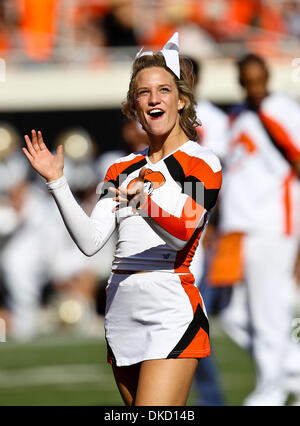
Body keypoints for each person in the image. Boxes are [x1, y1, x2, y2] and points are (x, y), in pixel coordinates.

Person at [22, 33, 222, 406]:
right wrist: (57, 183)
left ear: (181, 100)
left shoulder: (202, 162)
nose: (153, 99)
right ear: (134, 105)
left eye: (163, 89)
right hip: (121, 307)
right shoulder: (120, 169)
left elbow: (184, 233)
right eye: (144, 92)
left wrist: (144, 202)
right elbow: (90, 241)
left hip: (169, 304)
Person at [212, 53, 300, 405]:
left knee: (268, 311)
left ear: (268, 76)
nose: (255, 86)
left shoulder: (282, 111)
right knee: (230, 313)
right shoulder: (234, 116)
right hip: (236, 227)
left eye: (259, 78)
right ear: (240, 81)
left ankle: (270, 391)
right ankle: (293, 369)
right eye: (248, 79)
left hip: (270, 224)